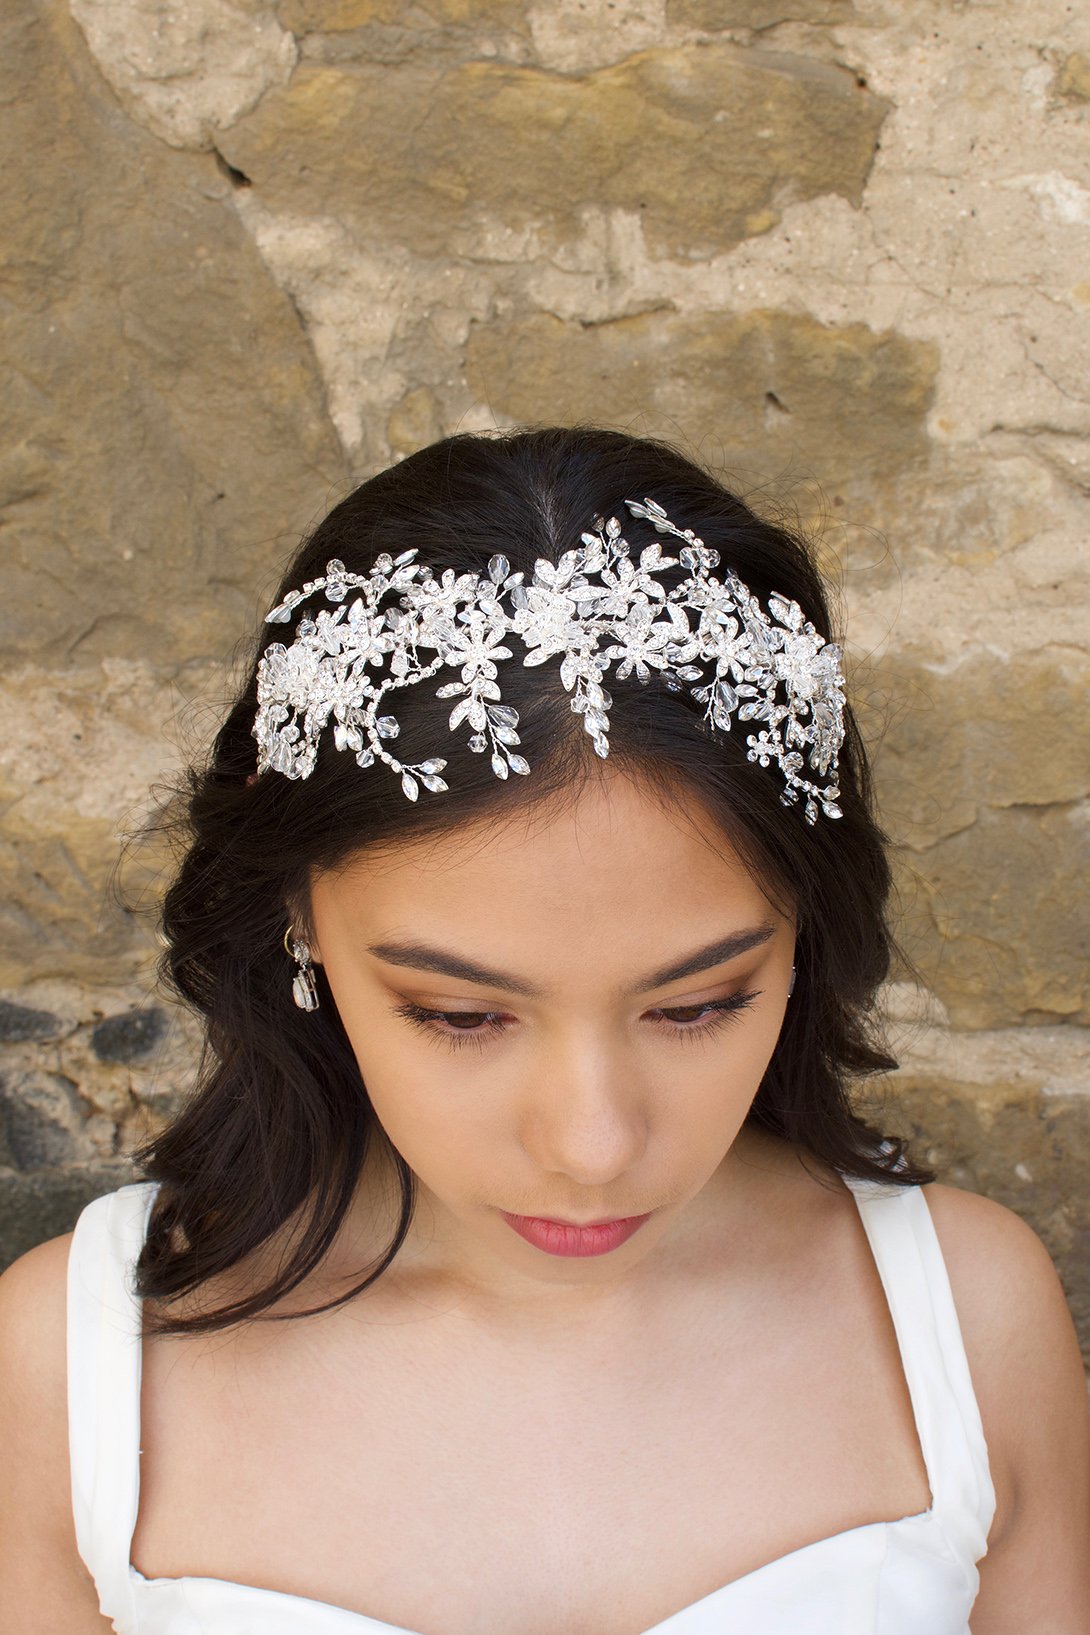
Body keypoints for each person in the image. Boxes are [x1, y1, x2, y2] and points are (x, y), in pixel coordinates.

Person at [0, 425, 1087, 1634]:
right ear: (298, 911)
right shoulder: (77, 1366)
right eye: (461, 1016)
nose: (591, 1143)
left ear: (802, 937)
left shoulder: (965, 1322)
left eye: (696, 1005)